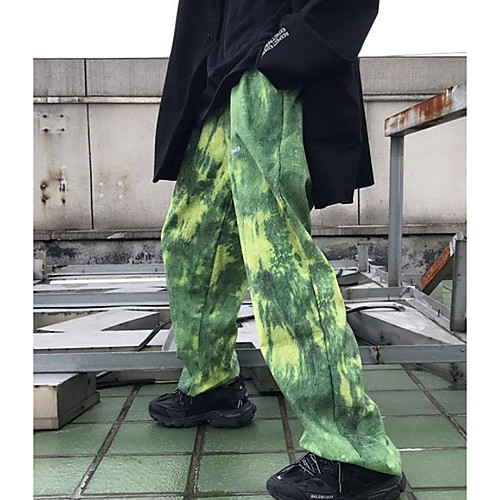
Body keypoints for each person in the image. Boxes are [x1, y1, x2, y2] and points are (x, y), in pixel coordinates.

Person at [148, 1, 406, 499]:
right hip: (215, 82)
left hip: (270, 74)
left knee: (277, 255)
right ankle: (211, 384)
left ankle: (353, 452)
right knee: (190, 242)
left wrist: (286, 47)